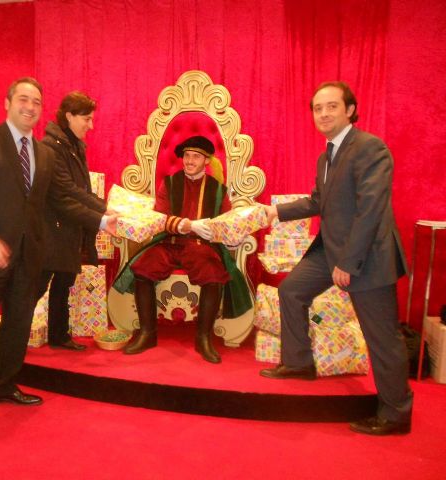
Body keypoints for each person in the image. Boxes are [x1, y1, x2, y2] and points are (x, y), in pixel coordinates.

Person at [0, 77, 115, 440]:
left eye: (37, 102)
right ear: (7, 103)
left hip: (28, 256)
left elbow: (62, 200)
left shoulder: (44, 154)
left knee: (18, 326)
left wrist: (104, 220)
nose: (30, 107)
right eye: (24, 99)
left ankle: (4, 386)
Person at [259, 81, 413, 435]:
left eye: (332, 106)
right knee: (291, 291)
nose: (324, 114)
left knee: (382, 337)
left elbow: (371, 210)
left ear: (350, 110)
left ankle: (395, 413)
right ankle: (299, 363)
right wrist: (276, 211)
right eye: (318, 108)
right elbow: (318, 202)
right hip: (330, 249)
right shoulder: (326, 155)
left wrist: (348, 263)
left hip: (366, 256)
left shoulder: (370, 148)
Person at [117, 135, 253, 363]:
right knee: (143, 268)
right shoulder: (169, 183)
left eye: (196, 157)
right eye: (187, 156)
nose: (189, 161)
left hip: (200, 246)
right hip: (169, 242)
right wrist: (188, 225)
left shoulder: (218, 189)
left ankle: (203, 338)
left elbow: (227, 223)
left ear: (206, 161)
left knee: (213, 273)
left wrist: (233, 238)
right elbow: (160, 218)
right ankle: (148, 334)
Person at [36, 91, 106, 351]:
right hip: (51, 228)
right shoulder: (51, 148)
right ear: (69, 116)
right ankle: (13, 338)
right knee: (35, 287)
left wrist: (104, 207)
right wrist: (103, 213)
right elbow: (66, 190)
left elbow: (82, 189)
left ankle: (59, 335)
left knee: (64, 282)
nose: (91, 125)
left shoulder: (74, 146)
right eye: (87, 119)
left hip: (69, 226)